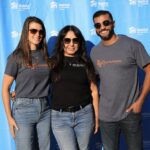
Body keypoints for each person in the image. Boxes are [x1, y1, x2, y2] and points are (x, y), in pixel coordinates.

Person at [90, 10, 150, 150]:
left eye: (106, 23)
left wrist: (140, 101)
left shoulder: (133, 45)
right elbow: (93, 83)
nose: (102, 27)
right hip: (106, 117)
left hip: (130, 113)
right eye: (98, 25)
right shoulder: (95, 52)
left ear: (113, 23)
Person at [2, 16, 51, 150]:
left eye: (41, 32)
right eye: (33, 31)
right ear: (26, 32)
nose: (38, 34)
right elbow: (5, 88)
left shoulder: (46, 56)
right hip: (23, 110)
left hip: (45, 109)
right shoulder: (16, 56)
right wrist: (9, 118)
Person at [50, 25, 99, 150]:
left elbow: (94, 91)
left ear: (79, 42)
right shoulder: (52, 63)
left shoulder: (86, 63)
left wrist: (96, 118)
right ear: (61, 42)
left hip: (85, 115)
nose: (71, 44)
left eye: (75, 40)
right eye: (67, 40)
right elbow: (37, 81)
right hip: (60, 117)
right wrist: (20, 91)